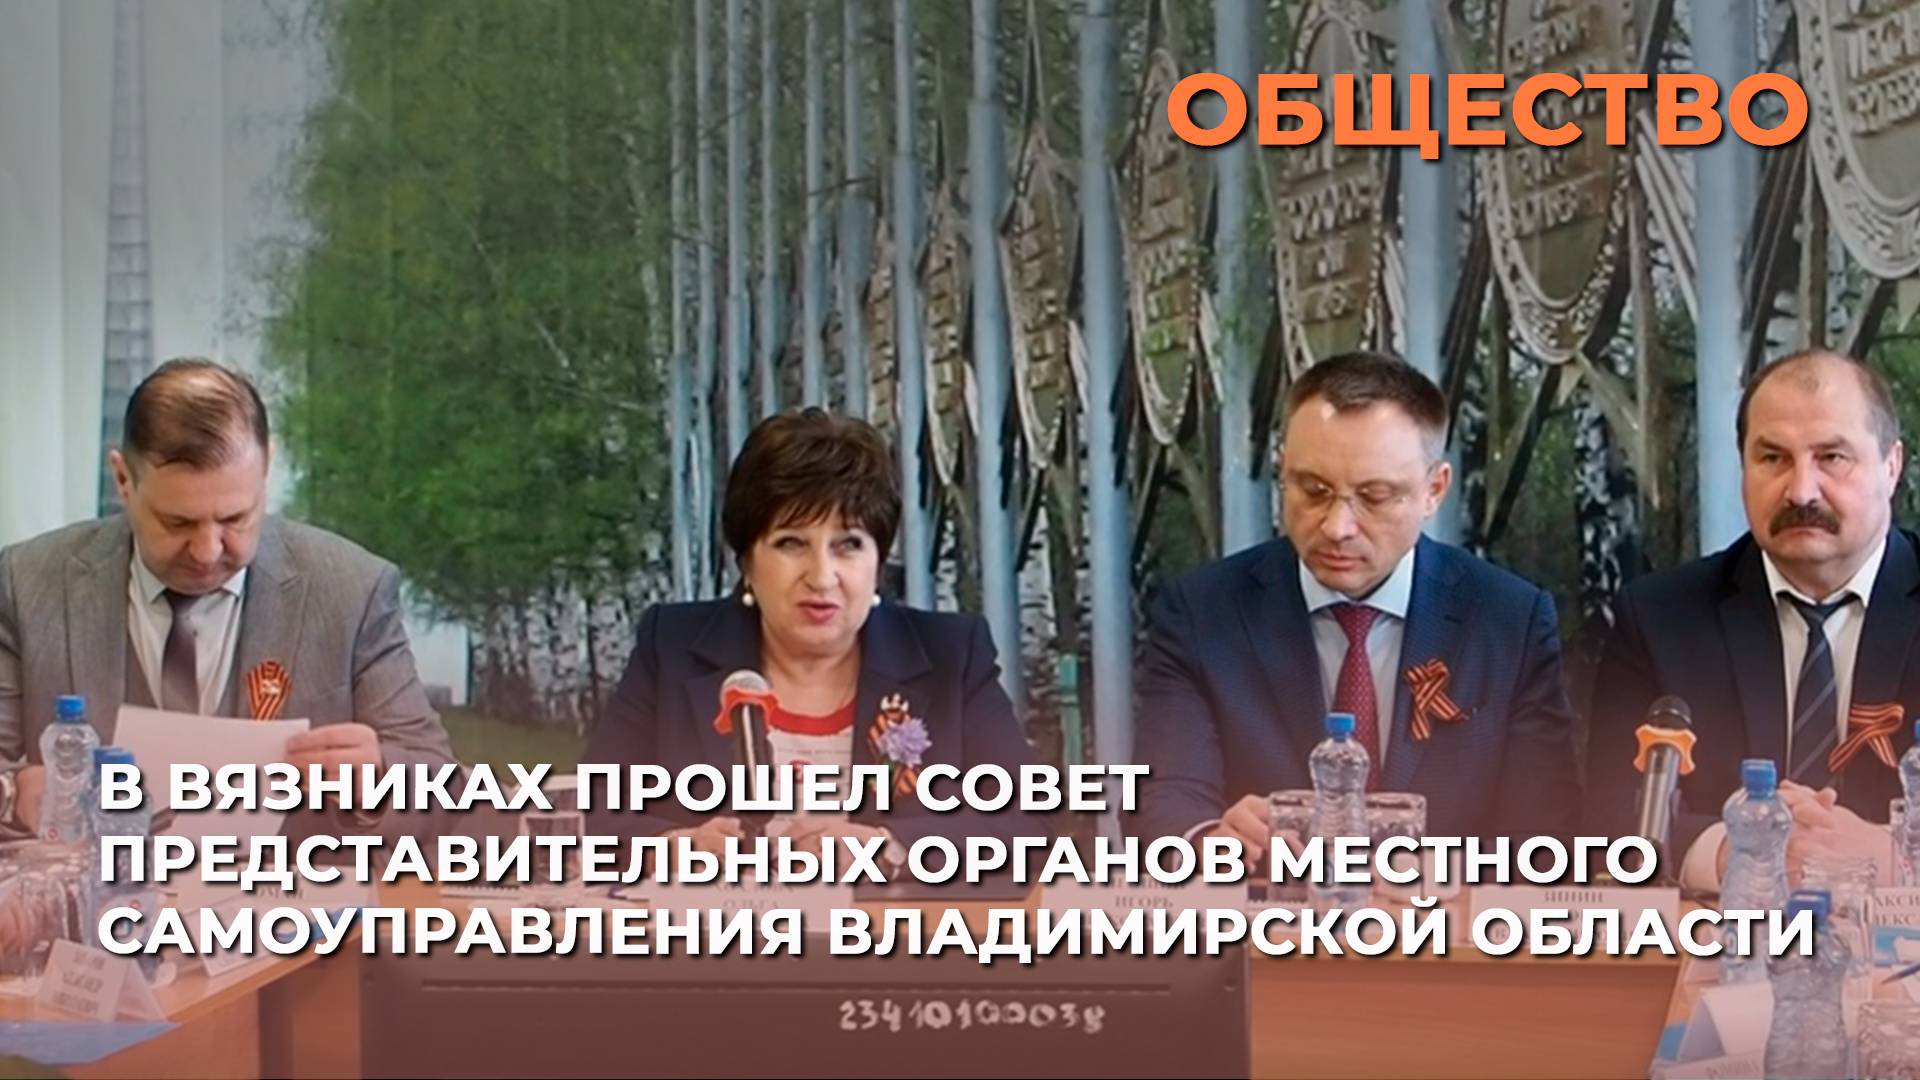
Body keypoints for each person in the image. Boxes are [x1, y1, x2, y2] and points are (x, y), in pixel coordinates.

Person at [1132, 351, 1581, 851]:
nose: (1337, 527)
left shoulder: (1508, 621)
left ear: (1434, 490)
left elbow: (1544, 835)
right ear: (1283, 471)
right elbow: (1166, 798)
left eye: (1374, 496)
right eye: (1313, 490)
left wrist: (1445, 878)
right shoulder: (1203, 614)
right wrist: (1206, 841)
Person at [0, 358, 455, 838]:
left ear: (267, 466)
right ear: (122, 480)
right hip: (90, 884)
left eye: (235, 518)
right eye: (178, 522)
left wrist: (380, 777)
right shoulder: (26, 585)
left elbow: (440, 785)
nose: (207, 551)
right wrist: (13, 795)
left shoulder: (350, 589)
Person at [582, 408, 1047, 862]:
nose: (822, 577)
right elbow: (594, 813)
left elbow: (1026, 822)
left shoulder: (950, 656)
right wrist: (667, 848)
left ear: (878, 561)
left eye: (848, 545)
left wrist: (887, 847)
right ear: (747, 562)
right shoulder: (673, 648)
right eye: (791, 543)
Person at [1588, 349, 1918, 888]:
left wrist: (1896, 857)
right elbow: (1610, 812)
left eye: (1832, 457)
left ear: (1891, 465)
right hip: (1719, 931)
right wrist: (1739, 855)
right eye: (1772, 458)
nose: (1801, 490)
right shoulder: (1660, 619)